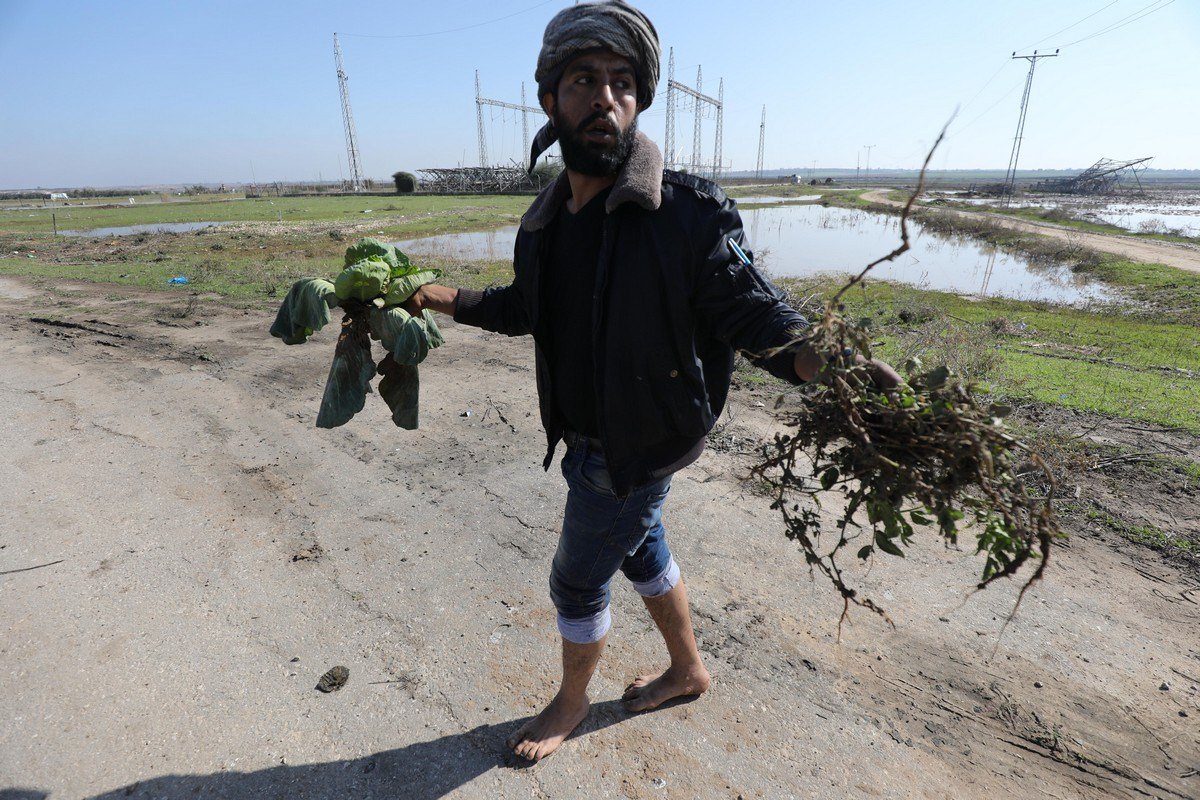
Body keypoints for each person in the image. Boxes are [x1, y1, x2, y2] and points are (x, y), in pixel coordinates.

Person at [406, 0, 900, 762]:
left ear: (637, 102)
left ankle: (571, 700)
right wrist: (447, 298)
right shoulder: (546, 222)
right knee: (642, 548)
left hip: (638, 445)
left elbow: (755, 313)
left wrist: (819, 360)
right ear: (550, 99)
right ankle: (688, 668)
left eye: (622, 83)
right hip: (593, 435)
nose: (605, 96)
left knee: (576, 584)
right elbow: (527, 309)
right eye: (583, 80)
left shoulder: (685, 215)